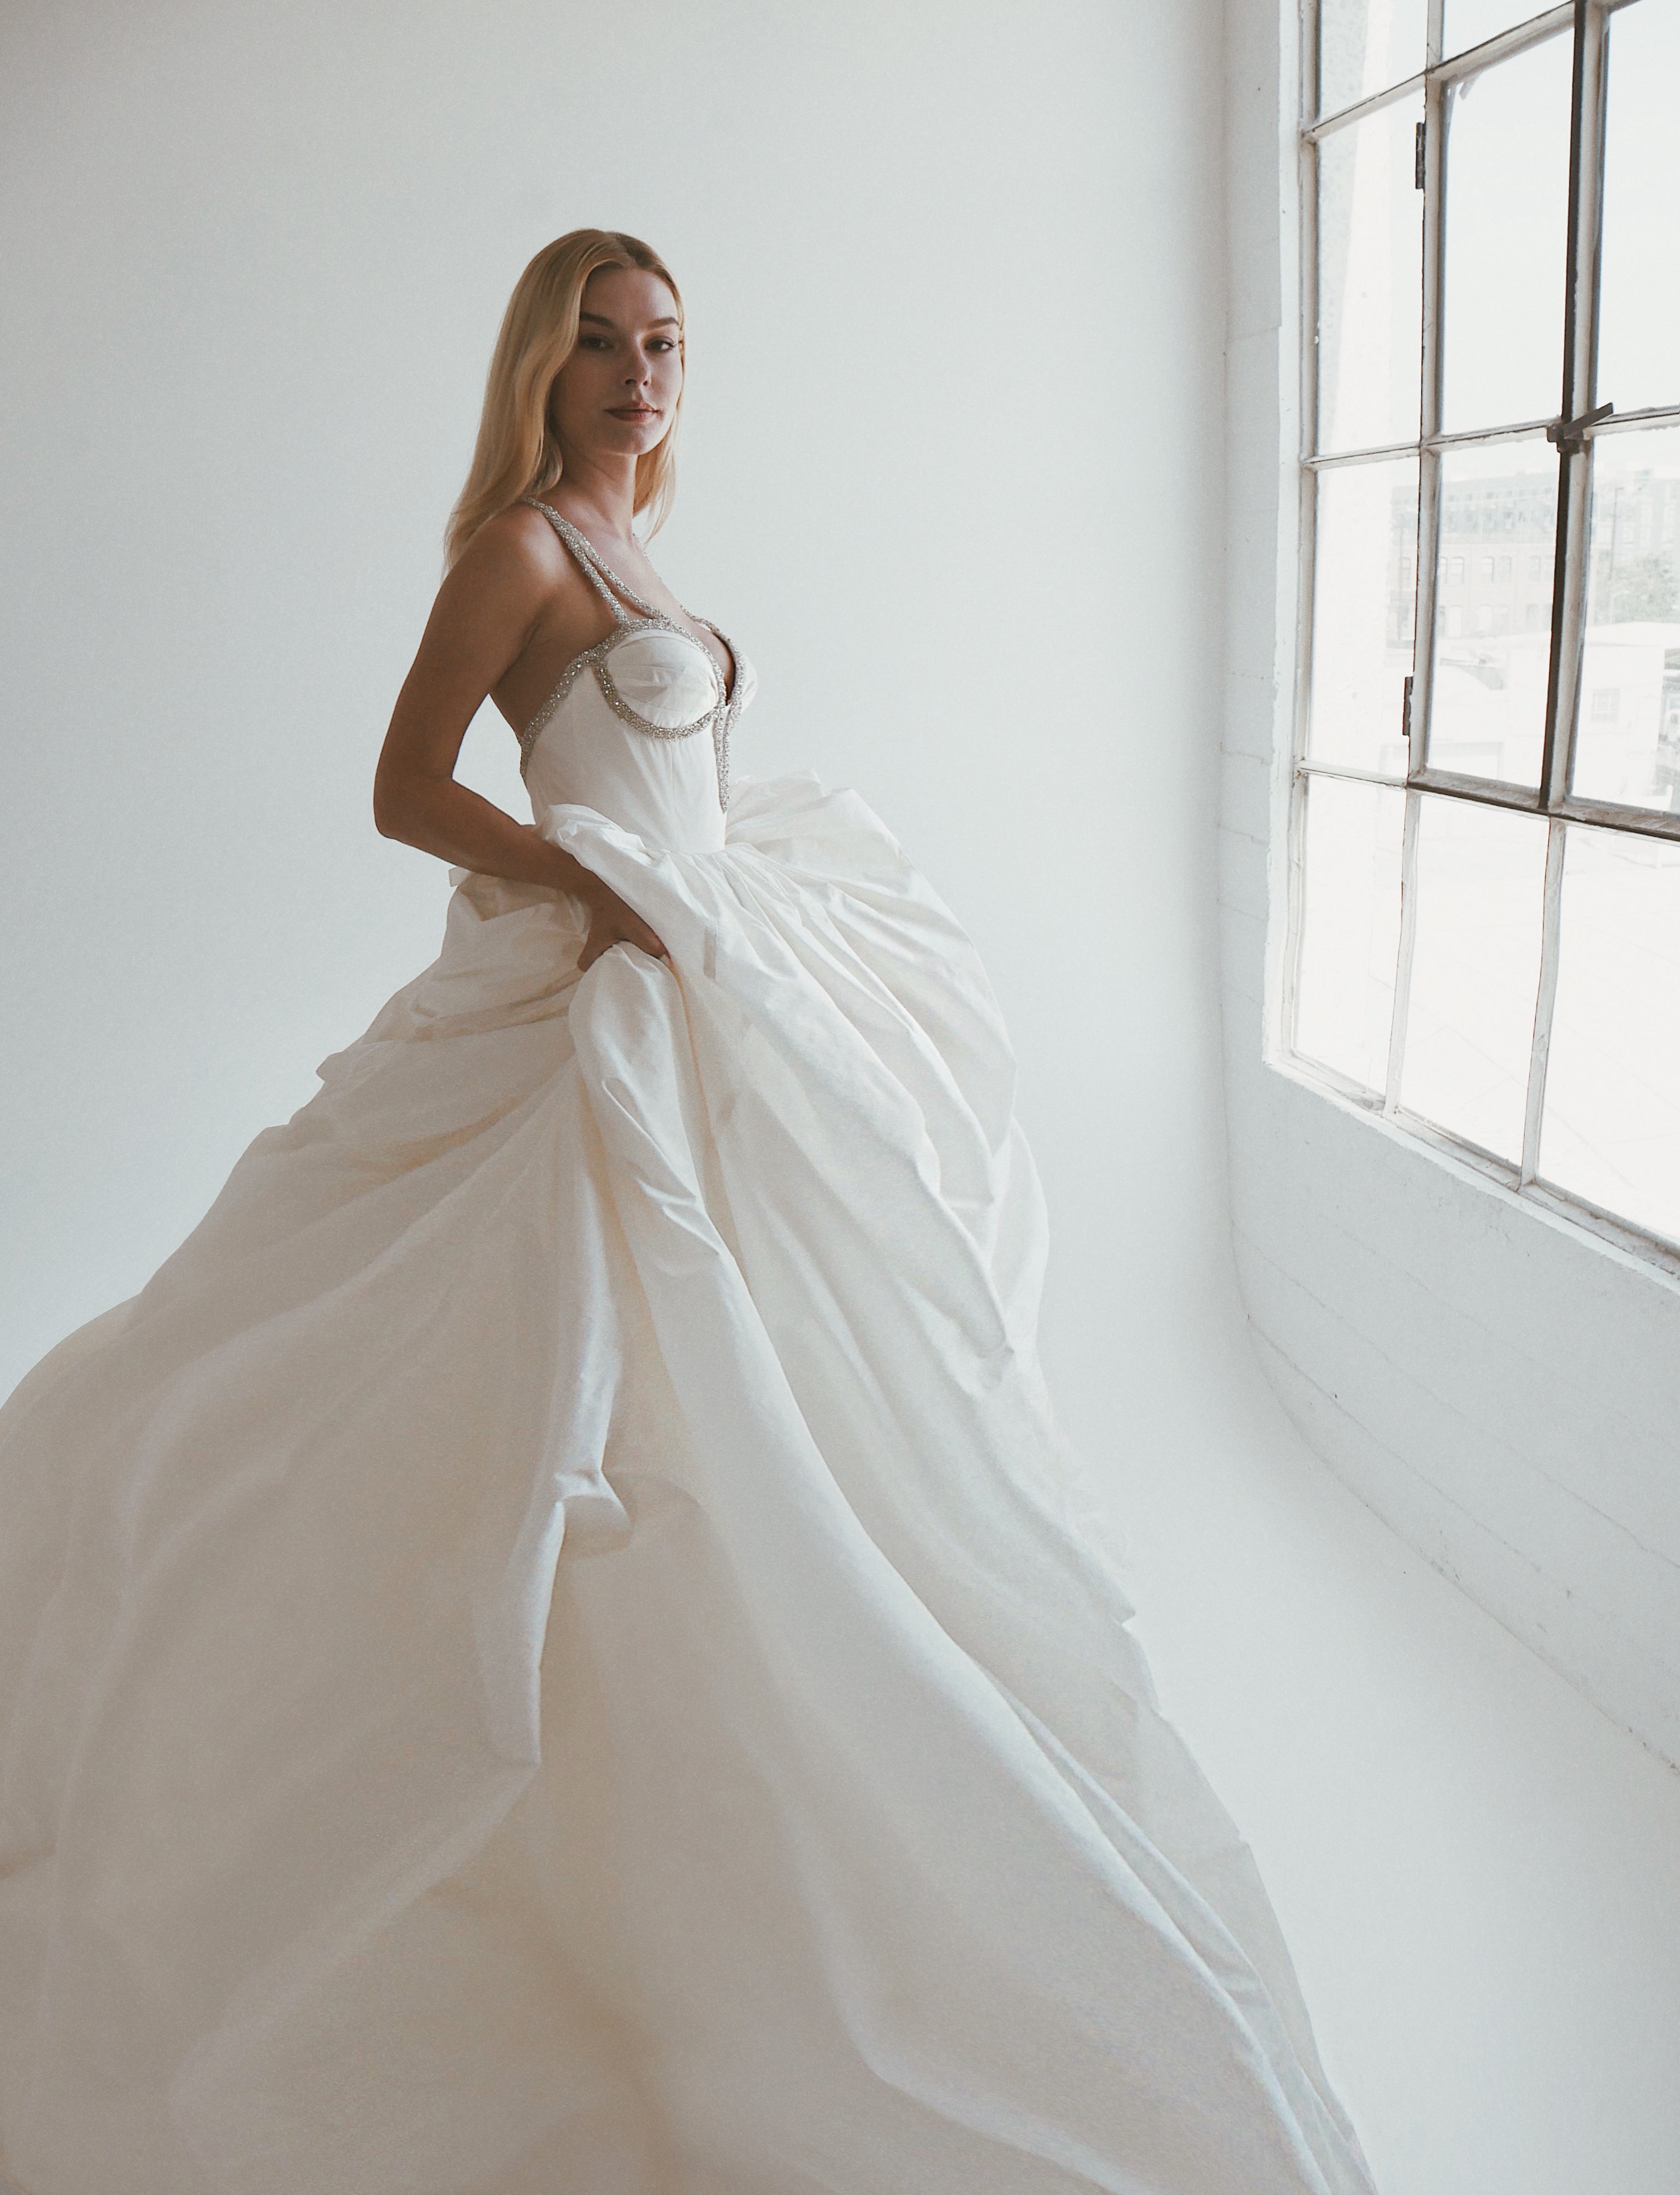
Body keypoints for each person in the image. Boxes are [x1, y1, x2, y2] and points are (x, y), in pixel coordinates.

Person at [0, 229, 1376, 2195]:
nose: (642, 378)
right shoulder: (522, 556)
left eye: (664, 346)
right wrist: (599, 889)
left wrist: (695, 886)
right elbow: (402, 786)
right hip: (614, 982)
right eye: (603, 348)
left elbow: (674, 762)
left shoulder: (637, 542)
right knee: (562, 1325)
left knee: (781, 1345)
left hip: (709, 958)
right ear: (539, 369)